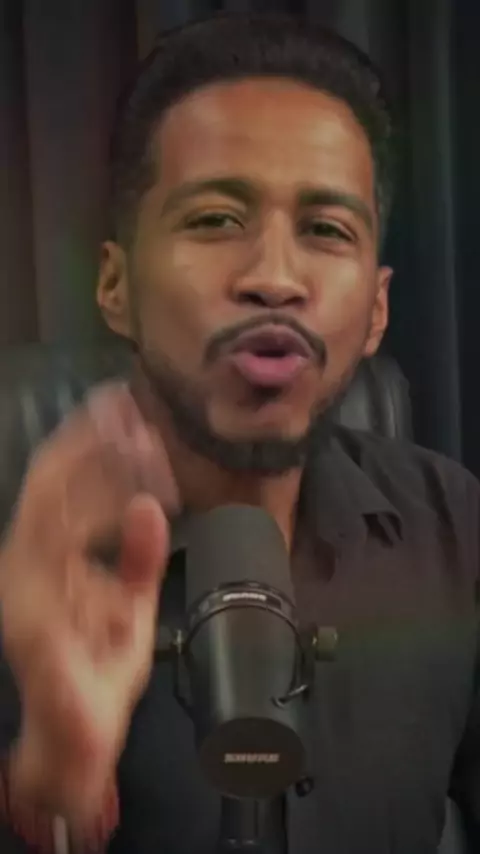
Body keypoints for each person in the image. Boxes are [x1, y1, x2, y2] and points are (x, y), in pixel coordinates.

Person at [0, 11, 478, 854]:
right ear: (115, 285)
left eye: (326, 230)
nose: (274, 279)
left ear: (377, 310)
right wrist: (52, 788)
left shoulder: (455, 529)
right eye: (216, 220)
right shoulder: (26, 574)